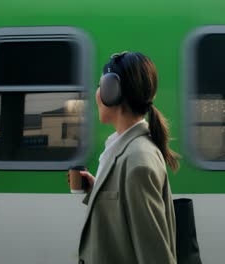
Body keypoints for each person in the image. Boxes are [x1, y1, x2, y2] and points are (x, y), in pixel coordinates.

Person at [75, 51, 179, 264]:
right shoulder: (124, 148)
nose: (96, 94)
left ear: (111, 91)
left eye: (100, 85)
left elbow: (155, 255)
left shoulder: (138, 160)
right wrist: (98, 190)